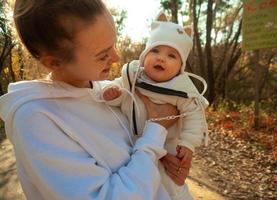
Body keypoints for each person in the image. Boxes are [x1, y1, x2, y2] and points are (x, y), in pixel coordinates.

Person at [0, 1, 191, 199]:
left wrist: (165, 166)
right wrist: (156, 130)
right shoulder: (36, 119)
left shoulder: (108, 91)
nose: (117, 57)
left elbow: (134, 154)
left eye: (113, 44)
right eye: (102, 55)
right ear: (54, 62)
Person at [102, 12, 209, 200]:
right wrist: (112, 95)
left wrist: (188, 143)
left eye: (171, 55)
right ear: (144, 56)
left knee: (170, 185)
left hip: (166, 148)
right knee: (141, 181)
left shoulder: (181, 89)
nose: (161, 58)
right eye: (155, 51)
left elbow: (195, 116)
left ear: (180, 67)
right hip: (131, 142)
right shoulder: (133, 77)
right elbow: (121, 93)